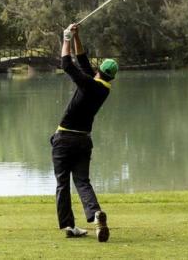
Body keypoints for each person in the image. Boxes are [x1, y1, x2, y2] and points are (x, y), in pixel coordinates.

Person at [50, 23, 118, 242]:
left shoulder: (89, 84)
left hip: (64, 139)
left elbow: (67, 64)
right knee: (82, 181)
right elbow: (82, 61)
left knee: (62, 184)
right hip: (83, 141)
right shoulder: (102, 87)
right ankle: (95, 213)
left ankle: (69, 226)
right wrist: (78, 37)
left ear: (99, 72)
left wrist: (66, 37)